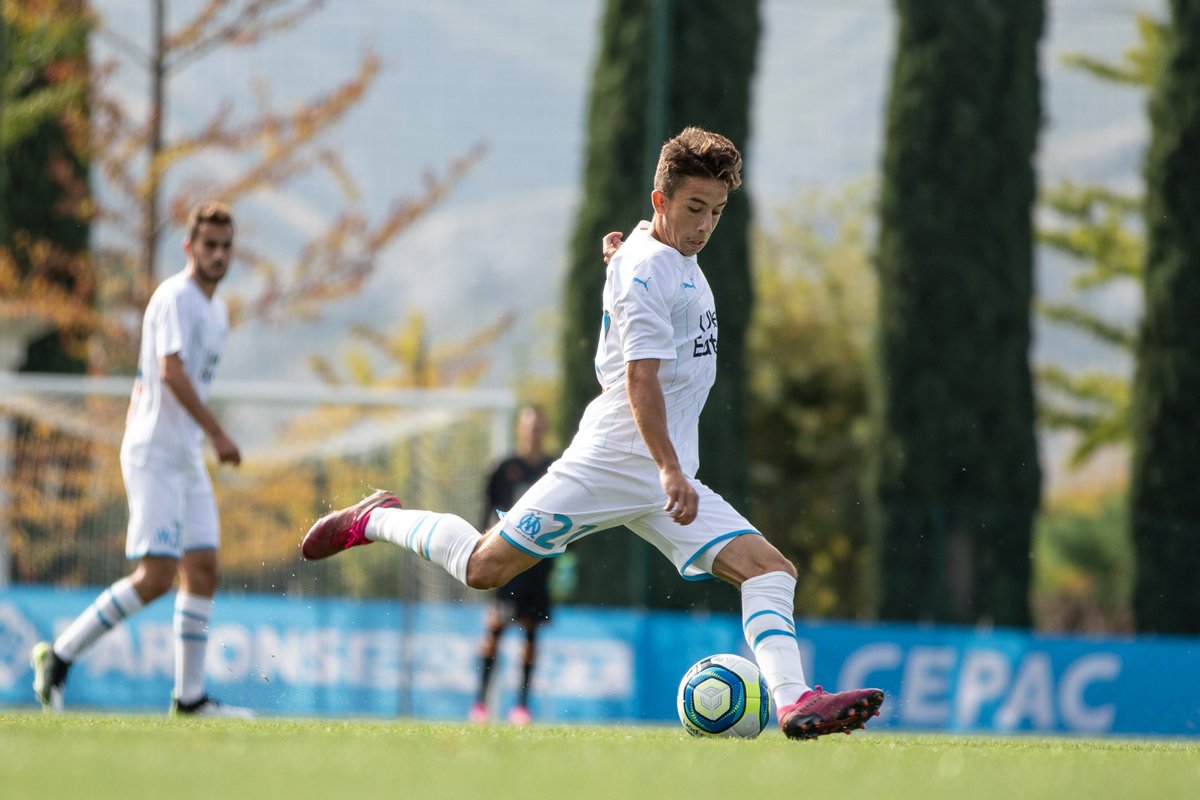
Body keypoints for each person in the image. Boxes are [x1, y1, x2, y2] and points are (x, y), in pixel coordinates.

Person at [302, 127, 884, 738]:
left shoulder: (654, 255)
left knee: (769, 570)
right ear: (660, 201)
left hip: (662, 474)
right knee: (482, 567)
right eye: (694, 208)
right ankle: (376, 519)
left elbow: (643, 265)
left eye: (716, 211)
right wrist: (668, 468)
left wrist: (621, 258)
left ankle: (793, 703)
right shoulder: (646, 268)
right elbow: (640, 378)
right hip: (616, 460)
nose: (705, 225)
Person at [31, 201, 252, 718]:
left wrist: (201, 438)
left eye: (225, 246)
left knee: (204, 568)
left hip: (185, 456)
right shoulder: (175, 296)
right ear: (189, 247)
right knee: (156, 576)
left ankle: (189, 698)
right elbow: (170, 371)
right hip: (155, 452)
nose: (218, 255)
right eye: (209, 245)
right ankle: (59, 655)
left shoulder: (217, 311)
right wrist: (218, 433)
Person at [469, 405, 557, 726]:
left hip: (539, 563)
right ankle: (480, 704)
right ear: (521, 428)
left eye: (538, 426)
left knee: (531, 633)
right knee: (495, 628)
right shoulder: (503, 467)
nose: (533, 432)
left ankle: (521, 707)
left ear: (543, 430)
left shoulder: (554, 469)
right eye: (529, 426)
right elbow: (487, 510)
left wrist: (567, 558)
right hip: (506, 560)